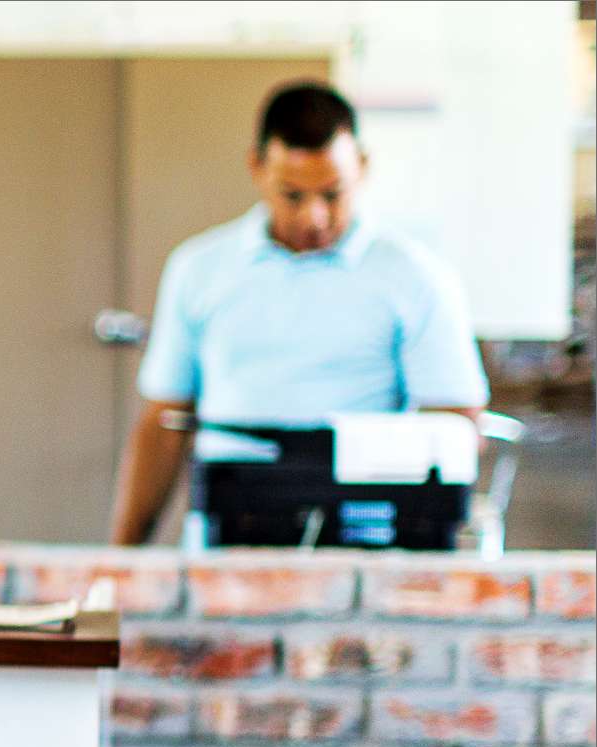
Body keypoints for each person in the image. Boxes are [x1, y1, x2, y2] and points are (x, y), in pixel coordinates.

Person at [109, 81, 486, 545]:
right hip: (229, 539)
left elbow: (454, 425)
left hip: (365, 541)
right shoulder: (199, 269)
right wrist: (121, 562)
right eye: (293, 195)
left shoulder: (416, 275)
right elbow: (164, 424)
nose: (315, 218)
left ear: (362, 168)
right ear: (256, 167)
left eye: (332, 195)